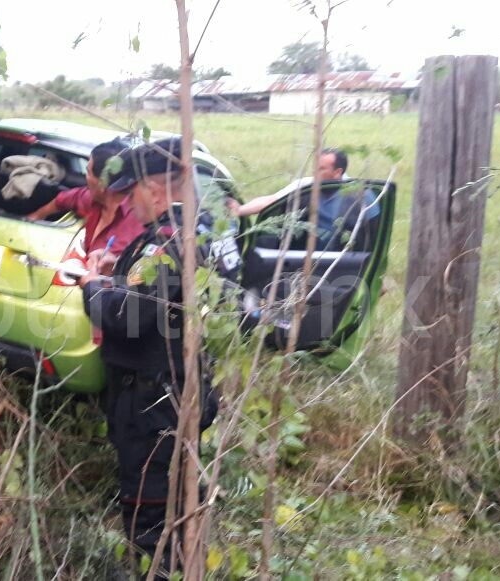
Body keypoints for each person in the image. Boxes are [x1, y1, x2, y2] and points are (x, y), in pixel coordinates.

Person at [78, 137, 222, 573]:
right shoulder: (200, 230)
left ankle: (156, 569)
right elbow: (158, 299)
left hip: (152, 405)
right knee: (179, 496)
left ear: (156, 192)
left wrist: (91, 285)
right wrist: (116, 272)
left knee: (150, 510)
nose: (125, 199)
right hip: (178, 391)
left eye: (131, 190)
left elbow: (128, 316)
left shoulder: (168, 243)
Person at [228, 148, 381, 250]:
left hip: (343, 260)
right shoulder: (305, 187)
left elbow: (376, 235)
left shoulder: (360, 195)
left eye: (321, 169)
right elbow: (271, 201)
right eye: (315, 167)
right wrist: (240, 210)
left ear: (338, 172)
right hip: (306, 259)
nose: (315, 172)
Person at [26, 138, 145, 253]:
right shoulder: (92, 199)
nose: (85, 177)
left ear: (102, 184)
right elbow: (63, 199)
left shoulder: (139, 224)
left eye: (88, 171)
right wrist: (34, 218)